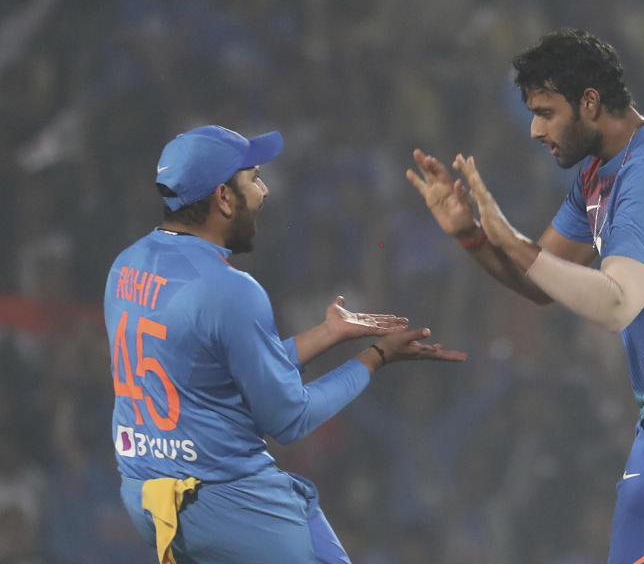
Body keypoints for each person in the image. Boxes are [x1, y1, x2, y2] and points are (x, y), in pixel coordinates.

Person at [406, 28, 644, 564]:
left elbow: (616, 303)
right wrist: (472, 235)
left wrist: (510, 240)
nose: (535, 130)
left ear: (589, 102)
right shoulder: (598, 175)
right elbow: (542, 282)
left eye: (546, 112)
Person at [105, 125, 466, 564]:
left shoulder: (126, 266)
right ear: (223, 197)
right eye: (253, 179)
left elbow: (216, 374)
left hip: (147, 496)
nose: (264, 190)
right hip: (224, 502)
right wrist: (376, 358)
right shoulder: (230, 289)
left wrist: (327, 333)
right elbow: (289, 418)